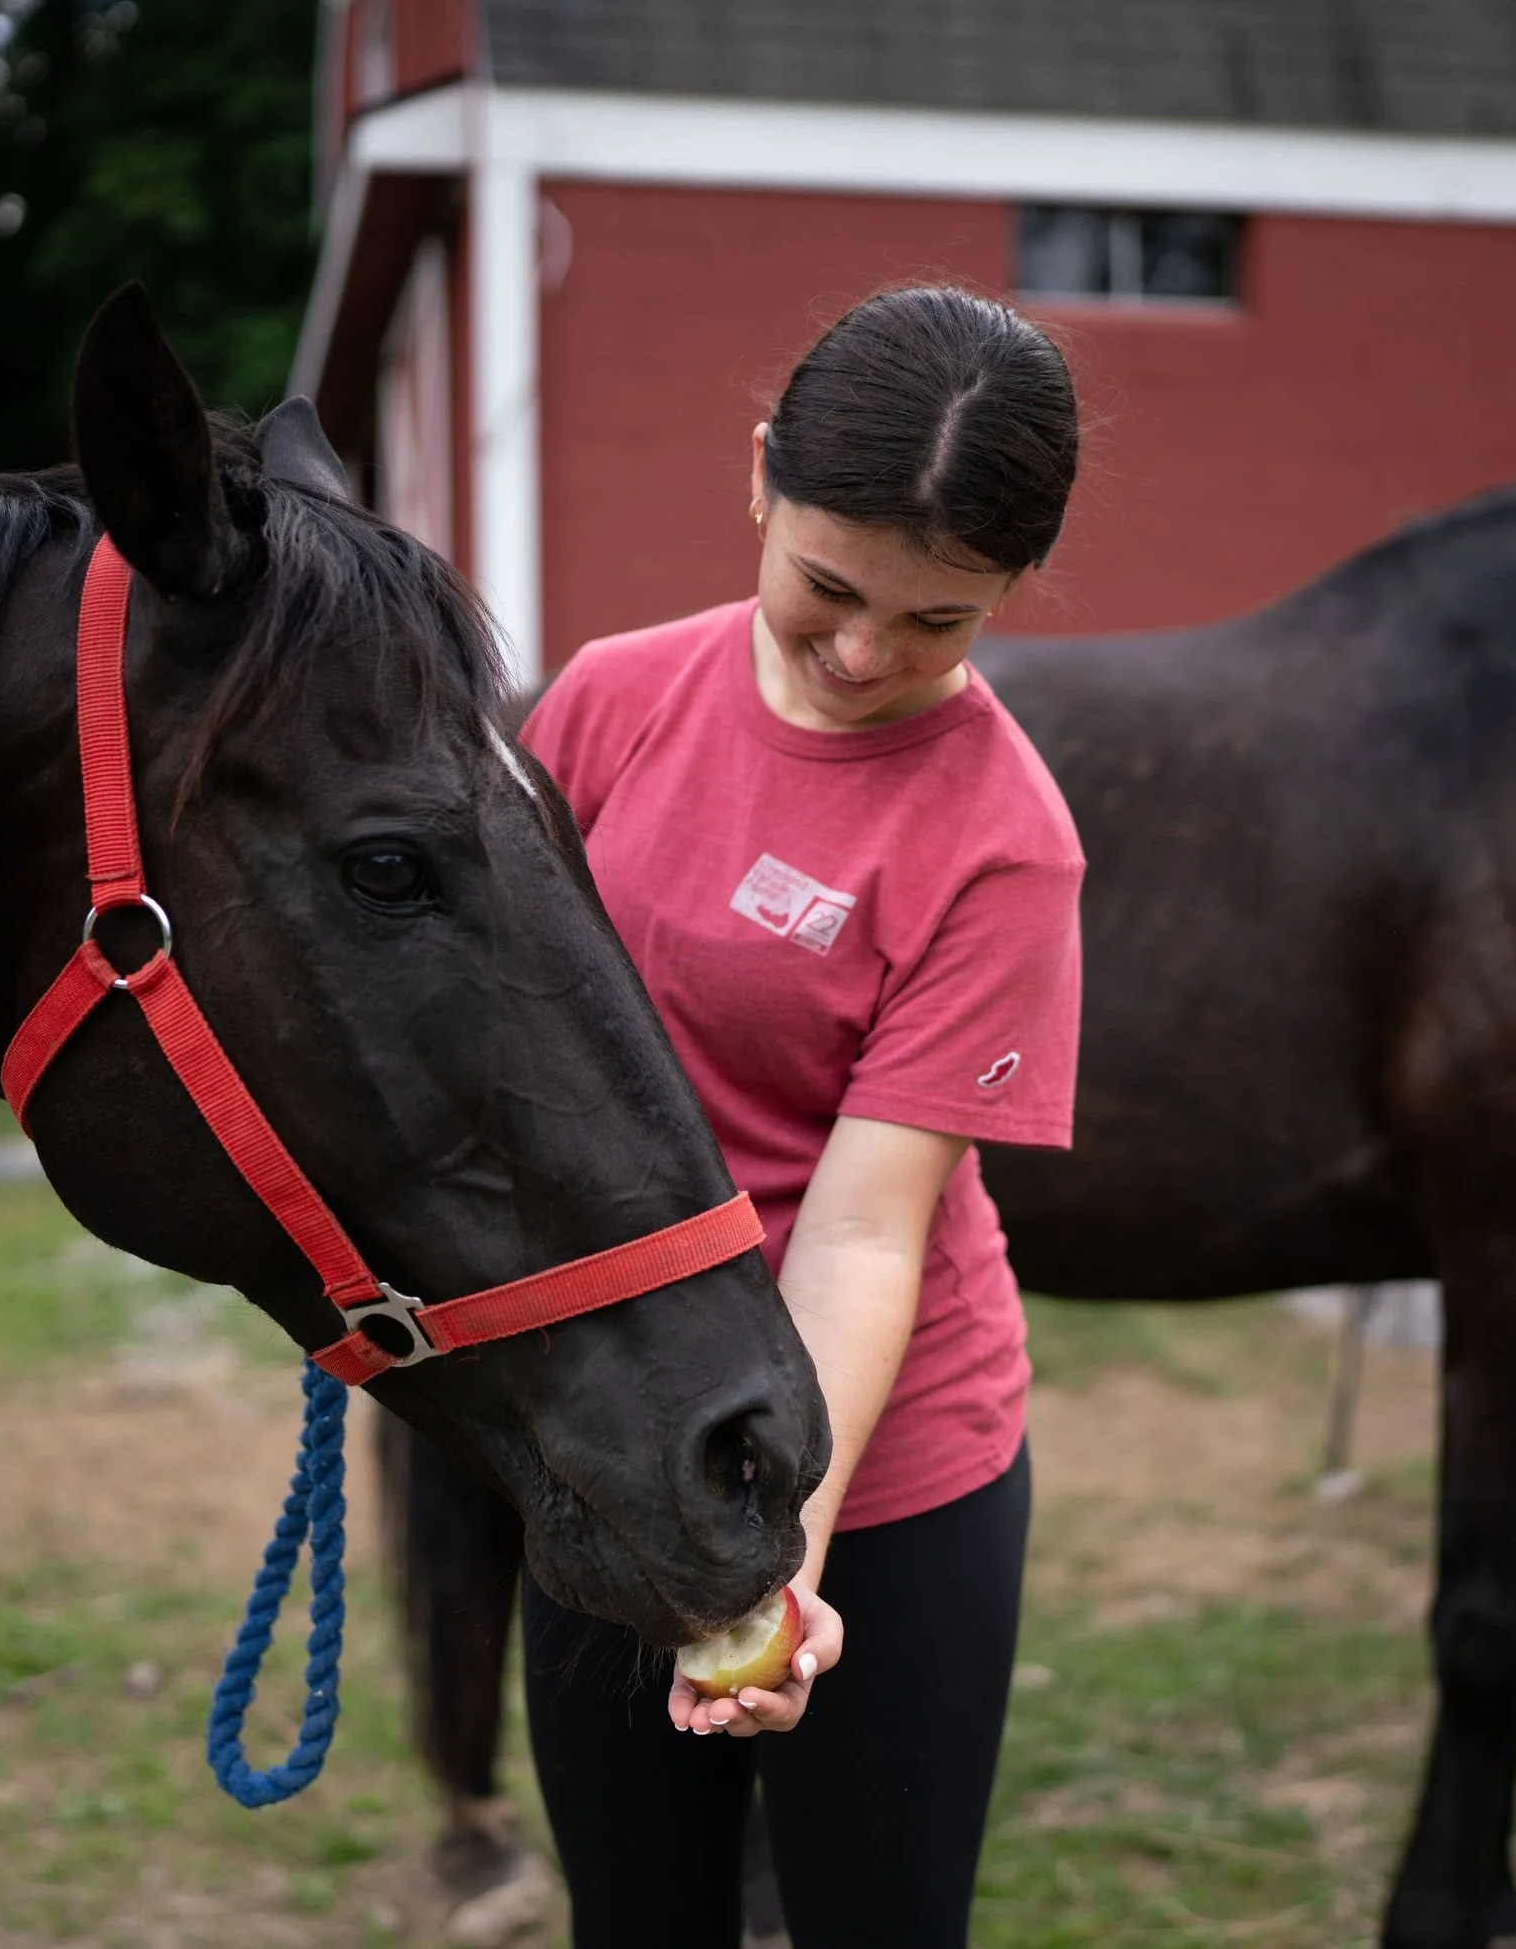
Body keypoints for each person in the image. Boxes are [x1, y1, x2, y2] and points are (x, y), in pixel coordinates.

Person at [516, 285, 1085, 1948]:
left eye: (940, 623)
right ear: (760, 476)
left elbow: (858, 1227)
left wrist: (772, 1569)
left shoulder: (1007, 843)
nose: (863, 654)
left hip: (882, 1473)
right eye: (830, 587)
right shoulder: (610, 706)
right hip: (609, 1440)